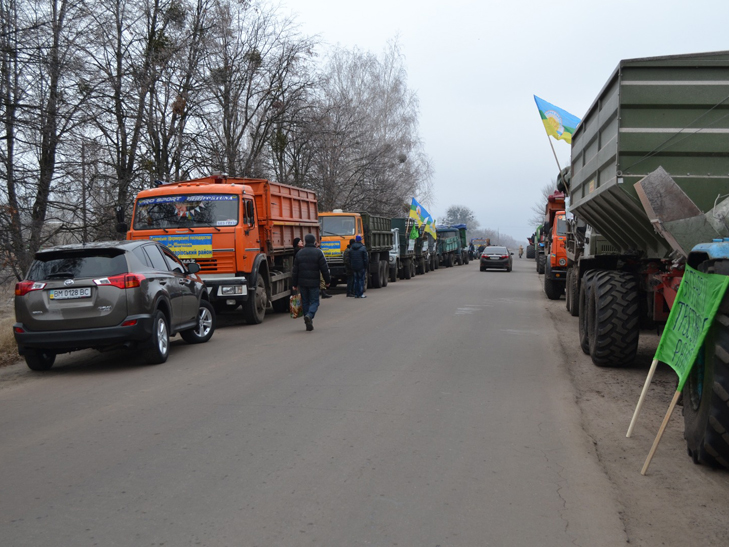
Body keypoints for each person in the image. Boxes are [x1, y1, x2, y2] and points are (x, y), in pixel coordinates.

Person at [292, 234, 331, 331]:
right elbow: (324, 269)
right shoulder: (318, 253)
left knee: (305, 302)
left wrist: (294, 284)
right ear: (314, 242)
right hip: (314, 282)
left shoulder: (299, 253)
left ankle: (307, 320)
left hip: (302, 283)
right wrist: (327, 281)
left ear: (305, 241)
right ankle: (309, 315)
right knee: (315, 302)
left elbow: (295, 270)